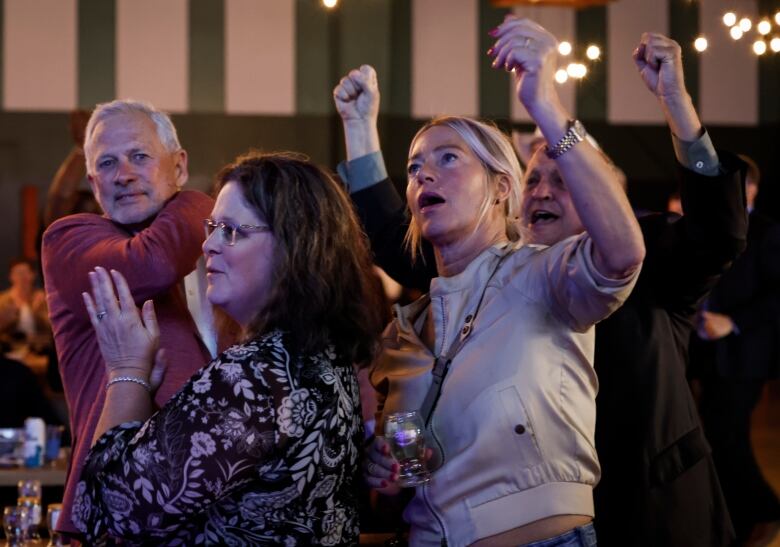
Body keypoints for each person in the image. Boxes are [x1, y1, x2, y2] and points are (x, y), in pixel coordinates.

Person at [336, 27, 746, 547]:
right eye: (532, 179)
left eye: (565, 177)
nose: (544, 190)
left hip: (643, 505)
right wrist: (359, 130)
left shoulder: (638, 256)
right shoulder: (479, 278)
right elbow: (404, 234)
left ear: (605, 194)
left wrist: (677, 105)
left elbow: (717, 231)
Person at [72, 152, 384, 545]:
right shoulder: (321, 358)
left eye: (232, 231)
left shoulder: (253, 378)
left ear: (296, 247)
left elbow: (106, 511)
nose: (209, 245)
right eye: (212, 227)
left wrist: (125, 369)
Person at [41, 100, 221, 538]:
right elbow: (154, 263)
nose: (123, 174)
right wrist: (200, 200)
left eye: (139, 156)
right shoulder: (70, 240)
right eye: (107, 163)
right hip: (112, 510)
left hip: (208, 511)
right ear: (93, 183)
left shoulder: (220, 256)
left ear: (177, 165)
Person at [691, 154, 780, 547]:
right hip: (708, 353)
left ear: (752, 190)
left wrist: (733, 322)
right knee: (718, 436)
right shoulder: (709, 229)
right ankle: (740, 520)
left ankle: (764, 512)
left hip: (746, 355)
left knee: (728, 437)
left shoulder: (768, 232)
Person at [0, 258, 51, 350]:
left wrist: (39, 312)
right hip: (11, 350)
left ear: (33, 275)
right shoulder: (3, 300)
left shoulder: (44, 298)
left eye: (25, 272)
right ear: (10, 277)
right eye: (17, 273)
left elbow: (54, 329)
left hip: (41, 349)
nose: (22, 277)